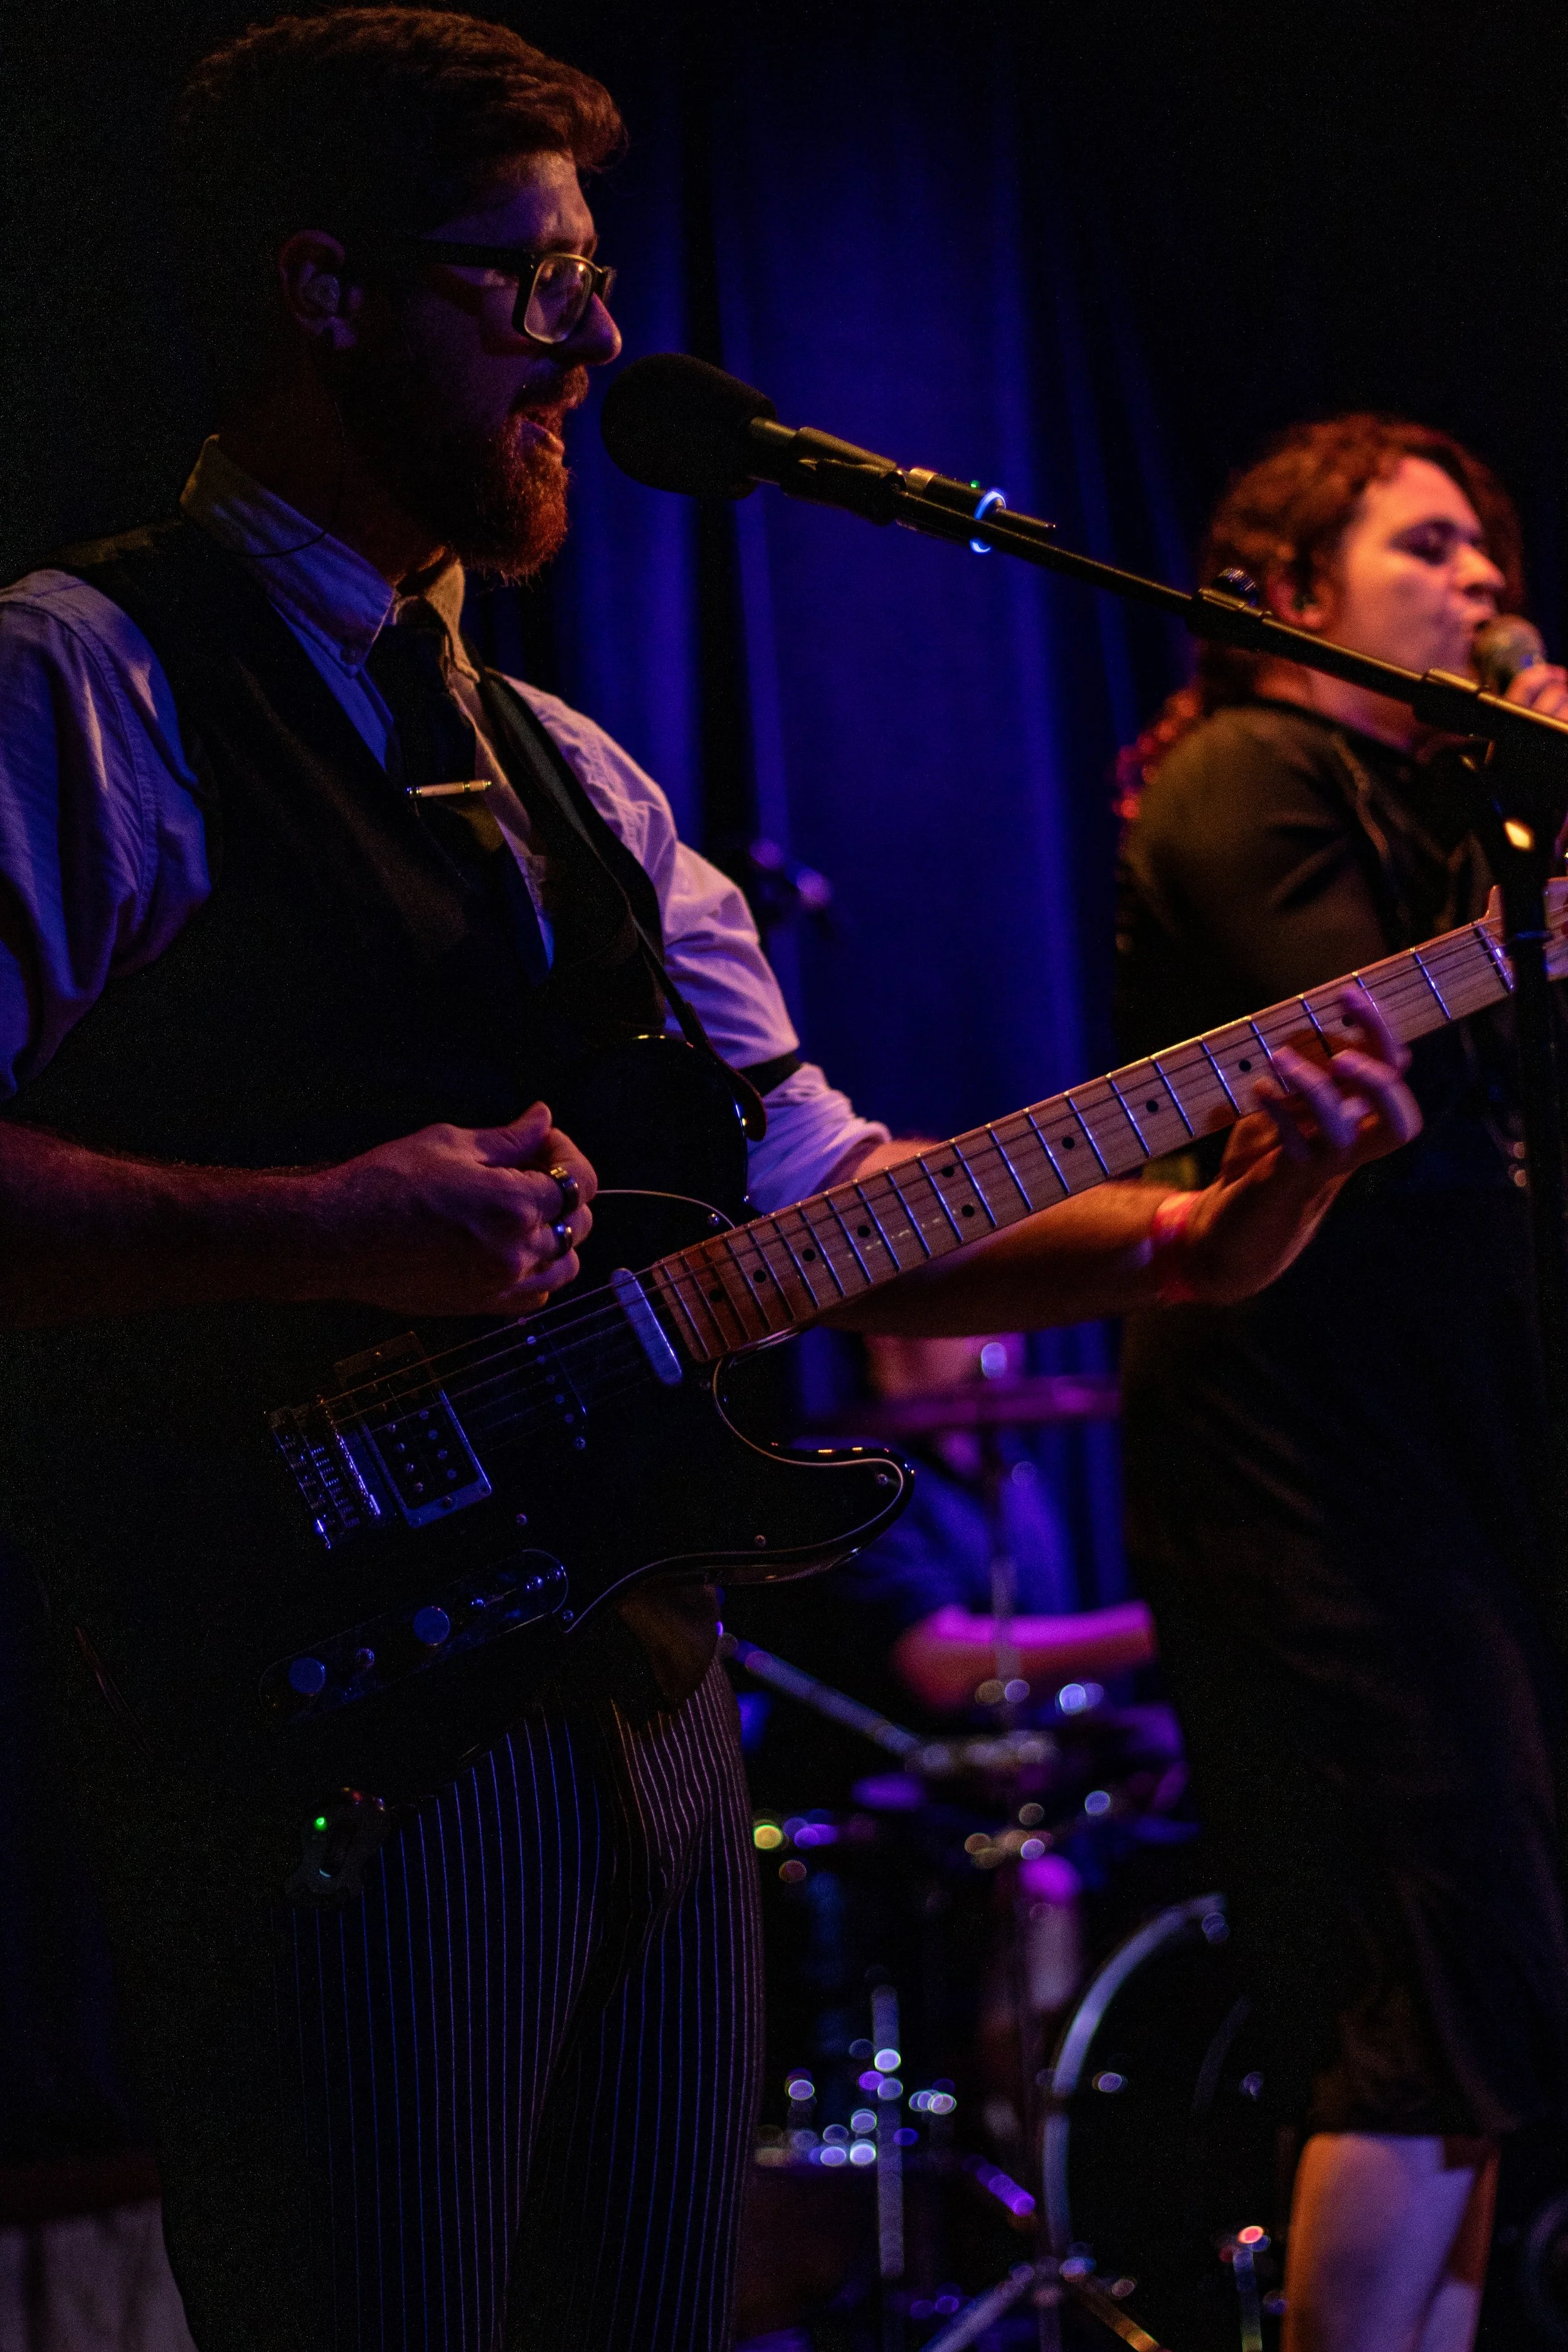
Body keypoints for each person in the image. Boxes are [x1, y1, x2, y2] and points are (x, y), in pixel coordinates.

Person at [0, 14, 1418, 2345]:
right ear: (323, 288)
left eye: (597, 279)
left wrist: (1197, 1229)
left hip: (644, 1708)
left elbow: (831, 1199)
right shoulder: (91, 677)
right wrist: (321, 1224)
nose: (591, 346)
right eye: (527, 281)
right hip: (315, 1721)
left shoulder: (574, 771)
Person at [1115, 415, 1568, 2352]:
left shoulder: (1449, 812)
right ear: (1294, 591)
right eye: (1425, 548)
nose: (1480, 581)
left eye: (1486, 552)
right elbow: (1381, 1071)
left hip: (1442, 1442)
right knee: (1425, 1950)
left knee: (1486, 1981)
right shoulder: (1246, 771)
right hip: (1308, 1447)